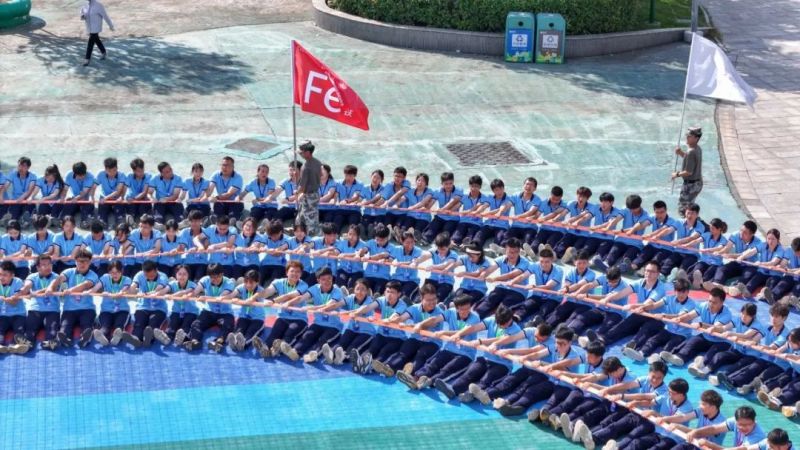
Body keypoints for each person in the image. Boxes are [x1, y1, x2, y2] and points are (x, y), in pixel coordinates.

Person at [45, 249, 98, 347]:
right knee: (65, 327)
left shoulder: (93, 275)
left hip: (87, 308)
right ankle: (65, 339)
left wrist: (70, 290)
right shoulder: (68, 272)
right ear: (75, 261)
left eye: (85, 261)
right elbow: (59, 279)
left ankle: (85, 339)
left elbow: (85, 285)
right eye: (80, 261)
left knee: (86, 324)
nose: (82, 263)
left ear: (90, 262)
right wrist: (50, 288)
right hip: (69, 309)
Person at [180, 263, 235, 352]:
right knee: (196, 324)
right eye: (212, 277)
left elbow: (220, 298)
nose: (215, 280)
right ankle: (195, 341)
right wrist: (188, 295)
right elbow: (195, 291)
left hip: (225, 313)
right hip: (209, 311)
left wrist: (206, 298)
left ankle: (218, 342)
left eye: (217, 277)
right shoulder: (205, 280)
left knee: (228, 325)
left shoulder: (229, 282)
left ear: (222, 274)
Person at [121, 260, 170, 348]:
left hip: (159, 307)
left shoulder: (163, 276)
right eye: (146, 276)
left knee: (153, 323)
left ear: (156, 270)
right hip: (142, 306)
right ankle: (136, 338)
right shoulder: (139, 275)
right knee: (139, 323)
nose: (150, 278)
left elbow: (159, 288)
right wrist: (127, 290)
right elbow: (133, 286)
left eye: (152, 276)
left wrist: (147, 294)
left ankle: (149, 339)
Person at [20, 255, 60, 351]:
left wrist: (34, 293)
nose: (48, 267)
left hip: (52, 309)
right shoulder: (31, 276)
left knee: (52, 329)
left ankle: (50, 342)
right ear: (37, 267)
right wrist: (25, 289)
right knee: (30, 330)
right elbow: (27, 286)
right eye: (44, 265)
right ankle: (27, 344)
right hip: (35, 309)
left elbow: (51, 288)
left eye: (49, 264)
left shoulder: (57, 277)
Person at [88, 260, 133, 346]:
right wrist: (88, 292)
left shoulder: (127, 279)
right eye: (112, 272)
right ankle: (102, 336)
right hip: (106, 310)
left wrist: (118, 293)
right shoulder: (105, 277)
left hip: (122, 310)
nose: (115, 275)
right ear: (109, 272)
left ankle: (117, 337)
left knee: (119, 326)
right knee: (105, 326)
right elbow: (95, 289)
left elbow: (123, 290)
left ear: (122, 271)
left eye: (117, 272)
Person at [686, 406, 766, 450]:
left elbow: (740, 449)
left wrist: (710, 445)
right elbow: (714, 429)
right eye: (740, 424)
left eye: (747, 425)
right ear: (736, 421)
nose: (743, 427)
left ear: (754, 421)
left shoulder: (758, 436)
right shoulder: (735, 420)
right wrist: (695, 432)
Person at [225, 269, 265, 352]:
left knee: (250, 333)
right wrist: (219, 298)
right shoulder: (241, 287)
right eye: (246, 282)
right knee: (239, 331)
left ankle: (244, 344)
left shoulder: (261, 291)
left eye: (251, 282)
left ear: (257, 282)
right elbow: (231, 295)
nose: (248, 285)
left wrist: (237, 301)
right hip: (244, 316)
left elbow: (248, 303)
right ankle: (235, 342)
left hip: (257, 319)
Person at [672, 127, 704, 217]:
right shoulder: (697, 148)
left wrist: (676, 174)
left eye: (689, 136)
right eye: (687, 135)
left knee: (683, 210)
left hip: (691, 185)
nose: (687, 137)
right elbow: (690, 161)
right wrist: (681, 153)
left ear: (696, 138)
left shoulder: (691, 151)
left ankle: (689, 223)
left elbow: (688, 172)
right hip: (697, 183)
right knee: (690, 207)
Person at [295, 141, 322, 236]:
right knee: (302, 216)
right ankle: (299, 231)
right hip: (316, 193)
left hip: (308, 196)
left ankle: (313, 237)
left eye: (301, 153)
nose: (300, 155)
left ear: (307, 152)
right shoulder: (318, 162)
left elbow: (302, 187)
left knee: (310, 219)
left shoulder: (305, 167)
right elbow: (320, 176)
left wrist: (296, 192)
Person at [0, 261, 27, 354]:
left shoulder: (18, 282)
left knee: (19, 330)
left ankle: (16, 346)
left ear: (12, 275)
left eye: (5, 275)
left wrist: (3, 298)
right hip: (3, 315)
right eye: (0, 274)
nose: (1, 277)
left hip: (18, 314)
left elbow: (14, 302)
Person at [80, 0, 115, 66]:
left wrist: (111, 26)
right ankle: (103, 52)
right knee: (96, 39)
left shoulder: (98, 5)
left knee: (91, 41)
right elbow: (82, 14)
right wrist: (82, 16)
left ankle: (87, 59)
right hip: (89, 27)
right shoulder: (85, 5)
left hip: (96, 27)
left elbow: (105, 16)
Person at [94, 157, 126, 228]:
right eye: (109, 171)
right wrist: (92, 197)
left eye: (114, 170)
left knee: (120, 216)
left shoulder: (121, 175)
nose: (112, 173)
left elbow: (117, 191)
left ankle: (119, 222)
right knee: (101, 216)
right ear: (105, 170)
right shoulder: (100, 174)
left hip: (117, 198)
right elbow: (93, 186)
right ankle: (102, 222)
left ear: (117, 168)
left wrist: (106, 198)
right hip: (104, 197)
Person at [209, 156, 244, 222]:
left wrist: (216, 197)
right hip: (221, 201)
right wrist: (209, 196)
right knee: (218, 216)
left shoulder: (238, 177)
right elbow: (209, 189)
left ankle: (234, 222)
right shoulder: (216, 174)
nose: (224, 167)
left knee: (232, 217)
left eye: (227, 165)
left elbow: (228, 194)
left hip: (234, 202)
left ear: (233, 167)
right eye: (223, 165)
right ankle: (216, 221)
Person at [150, 162, 184, 227]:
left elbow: (176, 195)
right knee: (158, 218)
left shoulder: (178, 178)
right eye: (167, 172)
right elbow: (149, 193)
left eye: (170, 169)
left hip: (173, 202)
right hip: (160, 202)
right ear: (161, 173)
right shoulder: (155, 178)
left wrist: (166, 199)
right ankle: (158, 224)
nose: (171, 172)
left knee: (179, 218)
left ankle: (180, 223)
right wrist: (152, 198)